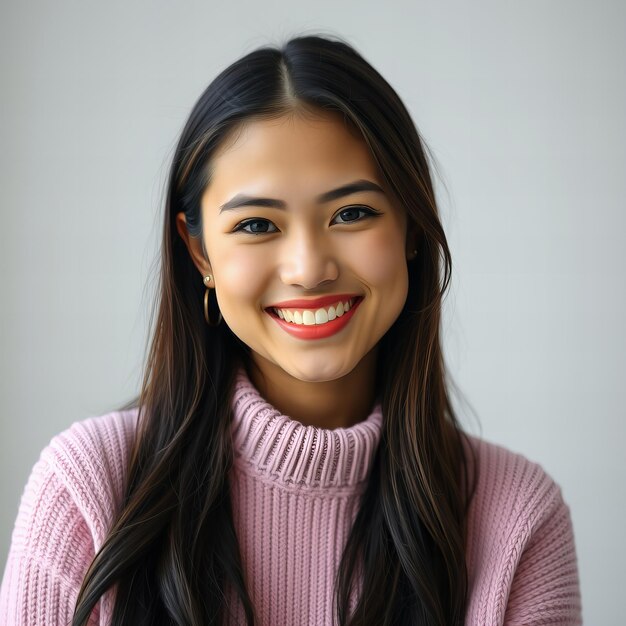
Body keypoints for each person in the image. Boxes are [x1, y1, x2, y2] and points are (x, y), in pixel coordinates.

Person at [0, 33, 582, 626]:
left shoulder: (517, 518)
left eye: (352, 214)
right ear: (199, 254)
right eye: (256, 224)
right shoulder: (87, 493)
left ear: (411, 228)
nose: (309, 269)